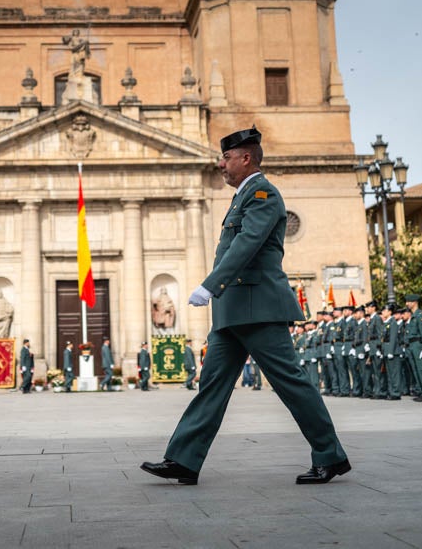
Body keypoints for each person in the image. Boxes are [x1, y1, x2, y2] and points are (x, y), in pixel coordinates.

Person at [141, 126, 349, 486]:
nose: (221, 164)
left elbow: (247, 244)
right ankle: (183, 460)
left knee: (290, 383)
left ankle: (329, 456)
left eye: (226, 158)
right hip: (234, 311)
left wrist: (209, 285)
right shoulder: (241, 197)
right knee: (212, 385)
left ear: (246, 157)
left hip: (259, 308)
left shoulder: (263, 194)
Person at [403, 295, 422, 402]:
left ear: (415, 302)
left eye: (409, 302)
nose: (407, 304)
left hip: (418, 344)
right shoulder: (413, 316)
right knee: (415, 369)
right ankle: (421, 390)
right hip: (411, 345)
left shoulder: (419, 316)